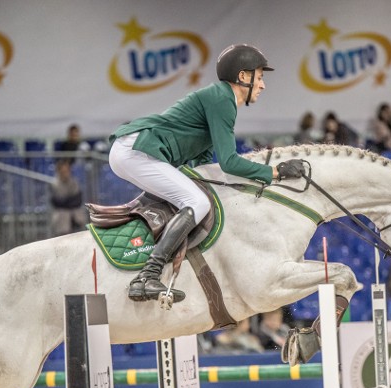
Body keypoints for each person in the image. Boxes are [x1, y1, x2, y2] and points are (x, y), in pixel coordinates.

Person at [108, 44, 306, 303]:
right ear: (243, 77)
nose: (263, 85)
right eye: (260, 77)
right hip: (137, 150)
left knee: (196, 197)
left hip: (135, 151)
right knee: (196, 202)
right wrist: (275, 172)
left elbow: (202, 163)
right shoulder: (223, 99)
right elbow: (229, 162)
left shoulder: (221, 100)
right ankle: (147, 276)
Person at [50, 159, 88, 236]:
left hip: (75, 213)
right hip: (61, 214)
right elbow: (57, 202)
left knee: (79, 214)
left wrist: (67, 201)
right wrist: (69, 201)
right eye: (63, 171)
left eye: (67, 170)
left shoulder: (74, 182)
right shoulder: (54, 184)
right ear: (59, 171)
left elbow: (78, 200)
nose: (66, 173)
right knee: (63, 215)